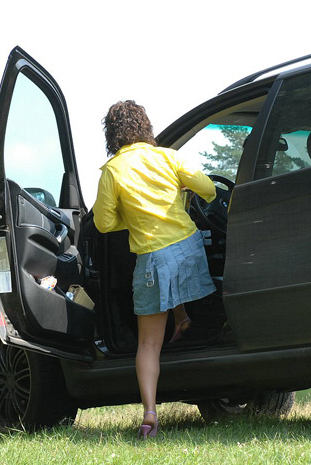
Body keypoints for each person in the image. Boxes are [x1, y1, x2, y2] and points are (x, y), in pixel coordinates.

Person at [93, 100, 217, 439]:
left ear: (112, 135)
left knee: (148, 344)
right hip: (189, 250)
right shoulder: (168, 157)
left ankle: (150, 414)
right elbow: (209, 189)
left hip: (152, 259)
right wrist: (180, 190)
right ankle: (183, 318)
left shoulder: (113, 171)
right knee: (175, 274)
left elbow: (103, 224)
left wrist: (131, 218)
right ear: (145, 127)